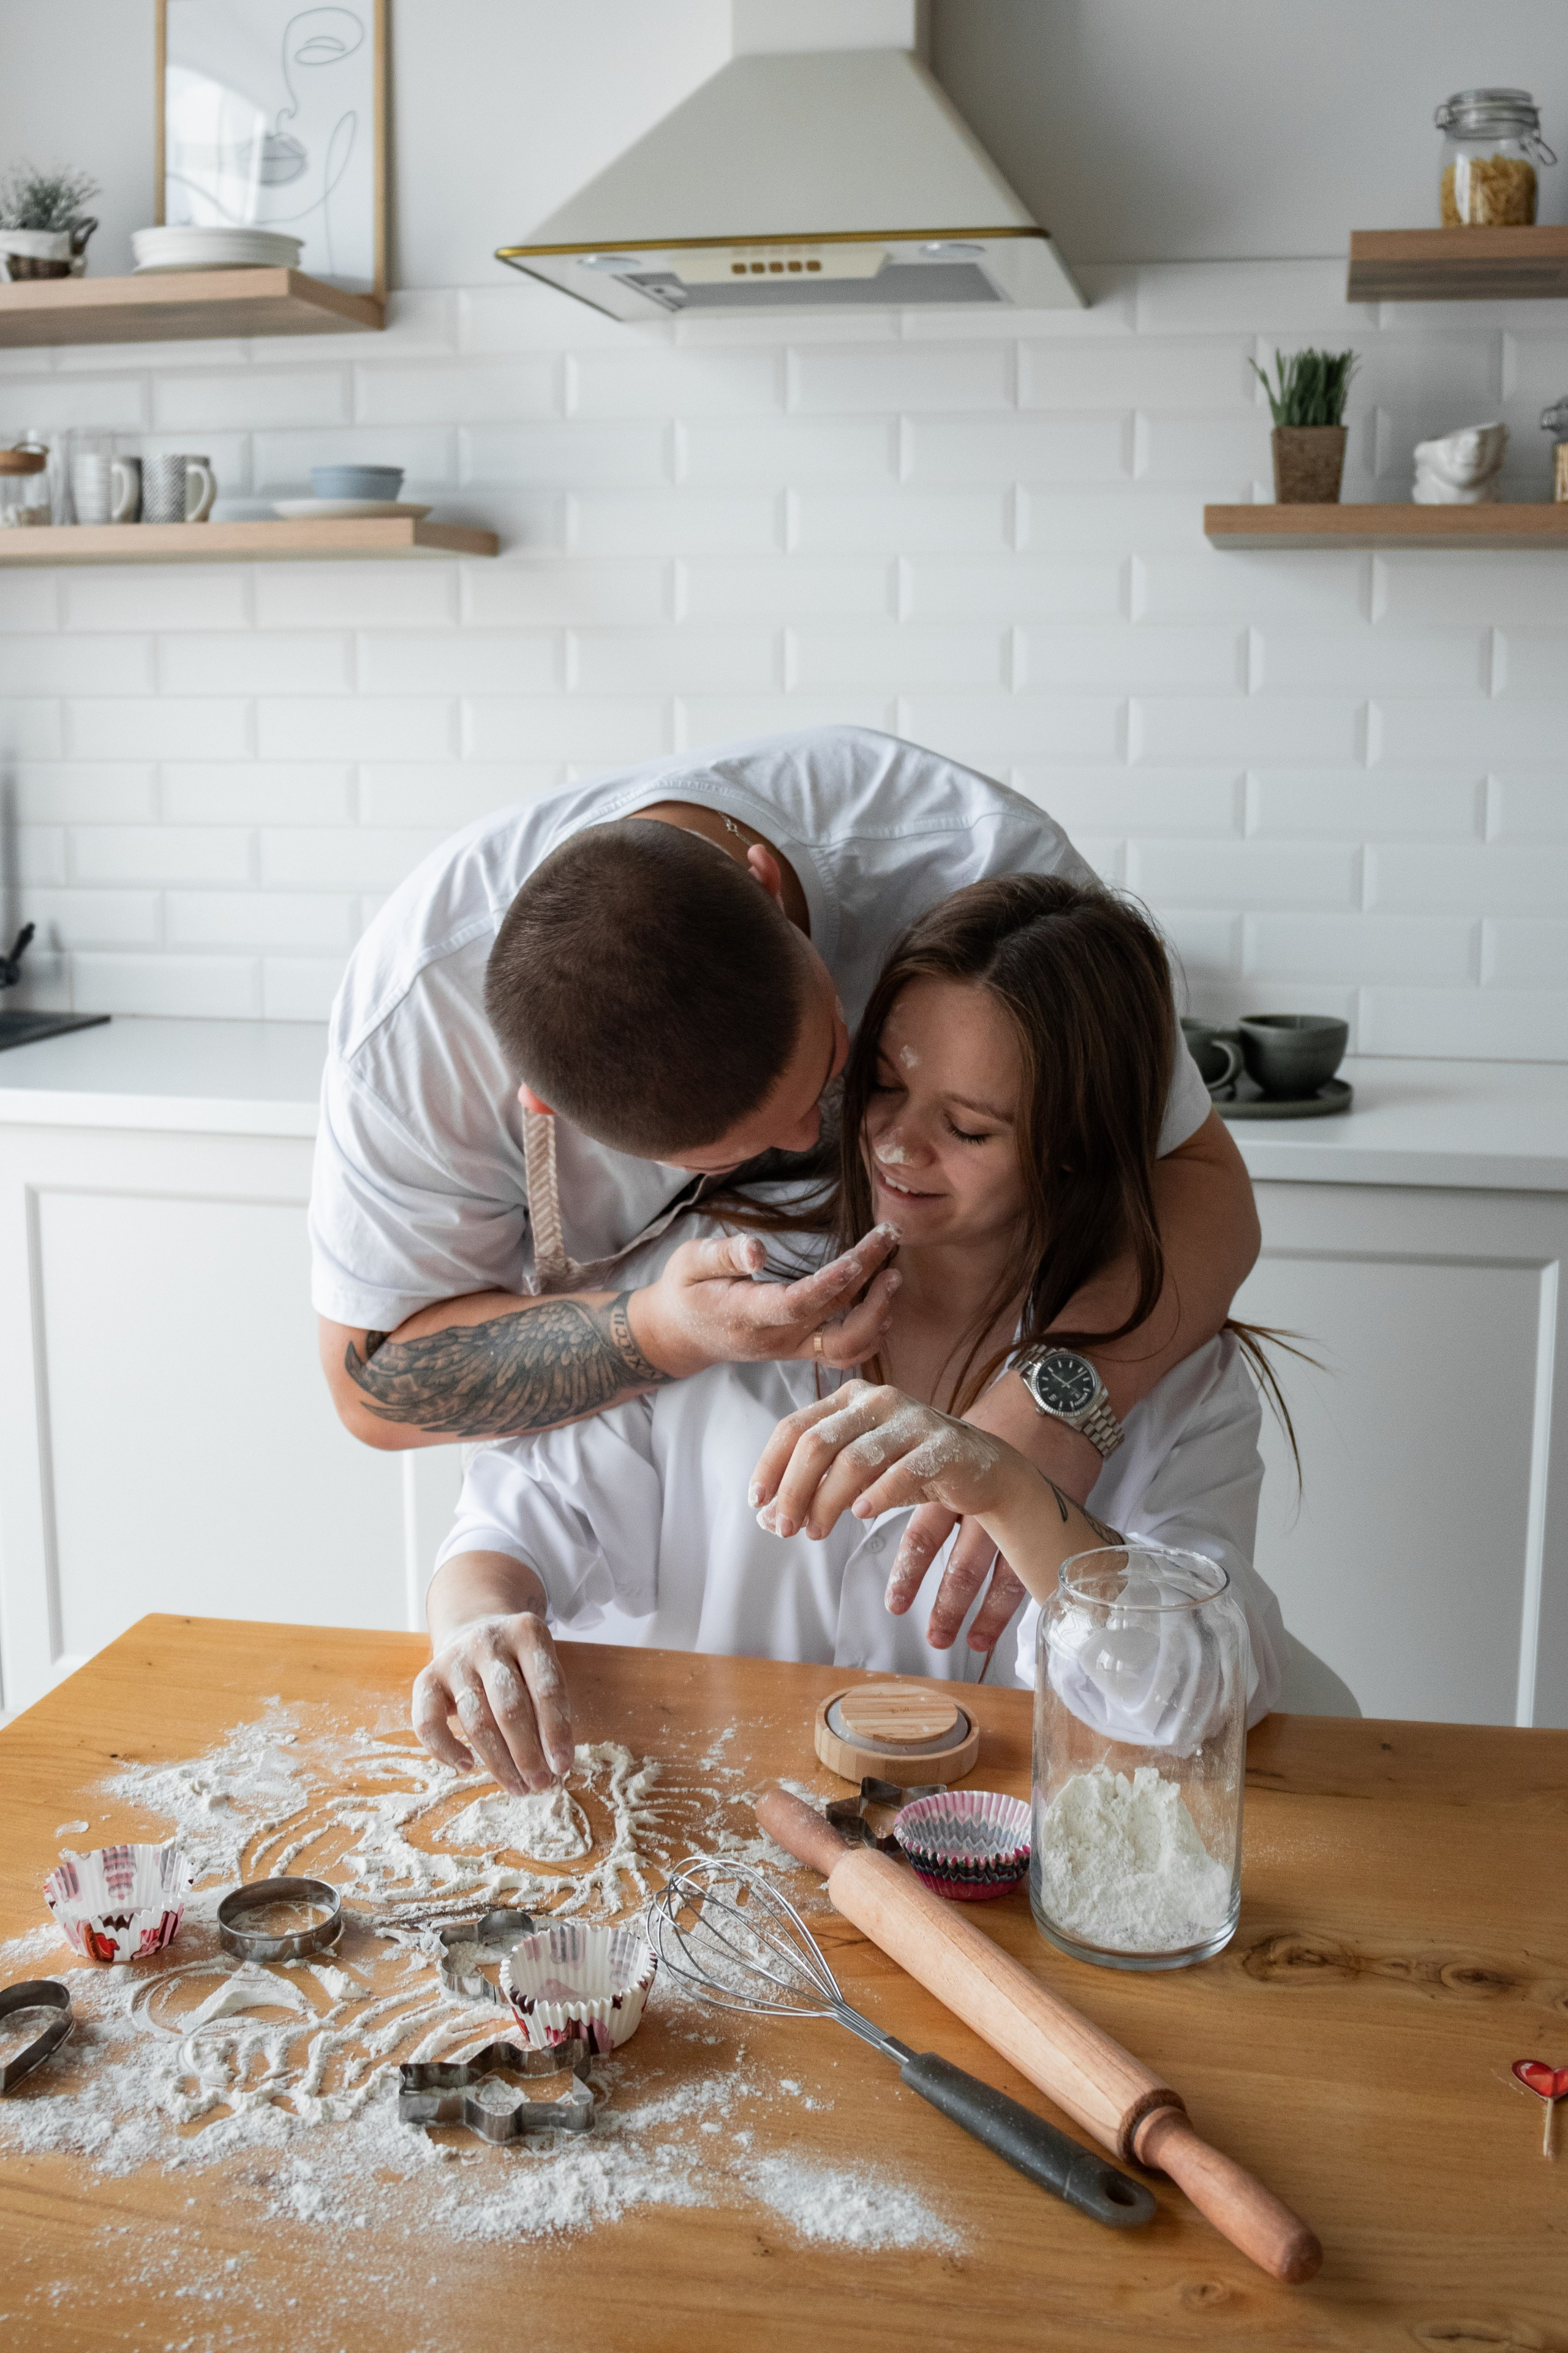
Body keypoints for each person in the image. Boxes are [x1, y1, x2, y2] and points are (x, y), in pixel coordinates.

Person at [312, 728, 1261, 1656]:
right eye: (738, 1150)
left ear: (771, 886)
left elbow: (1201, 1189)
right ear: (545, 1109)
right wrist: (664, 1333)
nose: (824, 1139)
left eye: (840, 1070)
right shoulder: (414, 1034)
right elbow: (378, 1388)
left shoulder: (971, 862)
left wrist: (1044, 1422)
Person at [412, 874, 1286, 1794]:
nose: (898, 1146)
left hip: (980, 1861)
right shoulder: (727, 1276)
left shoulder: (1174, 1372)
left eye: (966, 1127)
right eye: (883, 1085)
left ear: (1075, 1143)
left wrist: (1012, 1486)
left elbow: (1210, 1690)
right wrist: (477, 1623)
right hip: (709, 1839)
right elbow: (518, 1511)